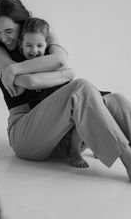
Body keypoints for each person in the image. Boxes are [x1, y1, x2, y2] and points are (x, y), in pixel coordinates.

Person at [0, 0, 131, 190]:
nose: (4, 38)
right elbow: (29, 81)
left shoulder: (40, 33)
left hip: (63, 137)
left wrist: (17, 68)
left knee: (115, 100)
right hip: (26, 135)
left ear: (22, 24)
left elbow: (60, 60)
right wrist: (64, 74)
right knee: (80, 88)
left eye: (9, 31)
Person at [19, 16, 88, 167]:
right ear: (21, 45)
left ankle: (75, 150)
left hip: (66, 108)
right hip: (46, 116)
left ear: (47, 45)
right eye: (28, 45)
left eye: (39, 45)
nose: (34, 50)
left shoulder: (52, 61)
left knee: (86, 105)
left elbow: (68, 72)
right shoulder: (21, 66)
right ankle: (76, 149)